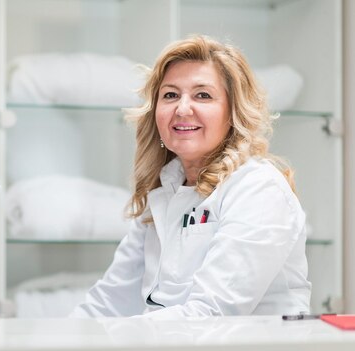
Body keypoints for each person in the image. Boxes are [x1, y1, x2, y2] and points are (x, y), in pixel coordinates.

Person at [72, 35, 311, 319]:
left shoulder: (258, 189)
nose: (182, 109)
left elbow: (210, 314)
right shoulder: (163, 192)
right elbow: (108, 302)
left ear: (233, 113)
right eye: (170, 95)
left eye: (203, 95)